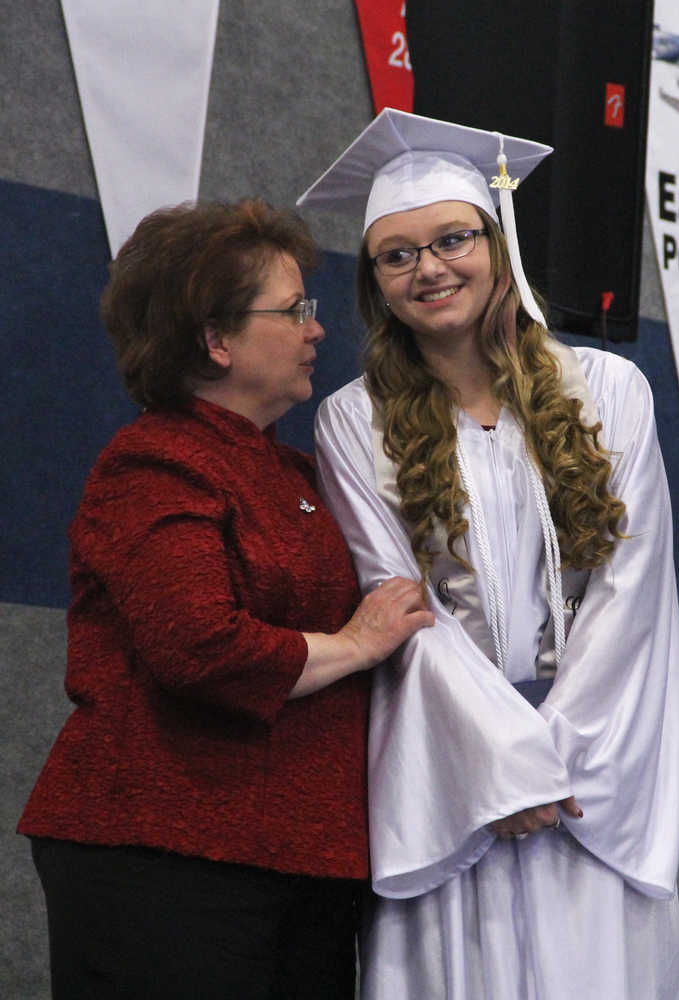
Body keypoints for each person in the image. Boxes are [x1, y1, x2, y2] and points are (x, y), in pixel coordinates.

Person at [297, 109, 679, 999]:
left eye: (451, 239)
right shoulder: (354, 421)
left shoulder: (607, 391)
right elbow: (393, 600)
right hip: (450, 776)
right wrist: (501, 765)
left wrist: (557, 759)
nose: (428, 268)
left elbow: (632, 595)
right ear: (374, 281)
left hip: (590, 776)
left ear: (495, 242)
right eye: (396, 255)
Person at [18, 197, 434, 1000]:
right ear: (215, 339)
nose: (317, 329)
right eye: (292, 310)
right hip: (165, 857)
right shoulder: (153, 463)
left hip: (299, 860)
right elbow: (199, 645)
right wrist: (357, 642)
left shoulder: (297, 474)